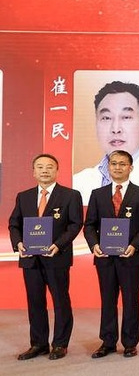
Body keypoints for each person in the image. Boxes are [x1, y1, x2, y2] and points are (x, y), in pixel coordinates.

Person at [8, 154, 83, 360]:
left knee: (60, 300)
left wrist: (58, 245)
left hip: (56, 257)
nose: (44, 170)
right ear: (33, 172)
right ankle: (38, 344)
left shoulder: (70, 195)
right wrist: (18, 243)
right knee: (35, 302)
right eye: (40, 167)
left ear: (57, 171)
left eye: (49, 167)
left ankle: (60, 344)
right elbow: (14, 224)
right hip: (30, 258)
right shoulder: (23, 196)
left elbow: (75, 224)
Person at [83, 150, 139, 358]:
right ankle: (108, 342)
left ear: (131, 167)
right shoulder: (98, 194)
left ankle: (130, 343)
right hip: (104, 257)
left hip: (131, 257)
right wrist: (94, 245)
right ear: (108, 167)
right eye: (114, 163)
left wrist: (135, 245)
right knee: (107, 299)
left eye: (122, 164)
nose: (118, 167)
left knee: (131, 299)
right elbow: (89, 225)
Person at [73, 81, 139, 205]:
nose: (116, 129)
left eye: (126, 117)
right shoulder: (77, 183)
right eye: (106, 118)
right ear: (96, 124)